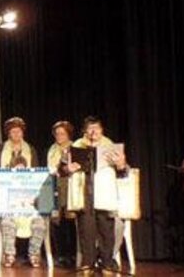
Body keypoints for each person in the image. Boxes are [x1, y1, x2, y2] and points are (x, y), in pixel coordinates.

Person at [61, 116, 129, 273]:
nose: (94, 132)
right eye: (90, 129)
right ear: (85, 131)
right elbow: (61, 169)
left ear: (102, 130)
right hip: (84, 193)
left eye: (97, 128)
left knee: (106, 230)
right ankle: (88, 263)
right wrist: (67, 168)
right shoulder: (75, 146)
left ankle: (107, 264)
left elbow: (123, 172)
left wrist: (121, 165)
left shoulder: (110, 146)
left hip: (104, 193)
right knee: (86, 231)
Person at [0, 117, 46, 268]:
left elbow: (36, 175)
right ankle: (9, 254)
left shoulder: (30, 149)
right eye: (13, 131)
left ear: (23, 133)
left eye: (19, 131)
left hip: (28, 205)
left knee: (39, 222)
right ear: (8, 133)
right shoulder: (0, 149)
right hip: (7, 201)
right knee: (7, 221)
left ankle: (34, 254)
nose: (16, 134)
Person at [47, 120, 77, 267]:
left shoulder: (74, 147)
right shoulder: (52, 149)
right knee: (56, 222)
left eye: (62, 133)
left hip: (70, 186)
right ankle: (61, 255)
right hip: (54, 186)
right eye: (57, 133)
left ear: (68, 134)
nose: (59, 136)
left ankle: (72, 254)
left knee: (70, 222)